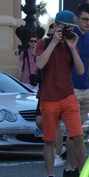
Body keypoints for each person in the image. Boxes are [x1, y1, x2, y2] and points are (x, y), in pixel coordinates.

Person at [34, 10, 86, 177]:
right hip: (48, 98)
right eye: (65, 27)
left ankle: (84, 174)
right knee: (49, 139)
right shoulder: (44, 43)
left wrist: (72, 47)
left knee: (78, 136)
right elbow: (39, 64)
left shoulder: (71, 44)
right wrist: (54, 41)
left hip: (68, 97)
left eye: (71, 28)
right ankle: (50, 176)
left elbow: (80, 71)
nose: (68, 31)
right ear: (56, 26)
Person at [63, 3, 89, 177]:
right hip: (72, 89)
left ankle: (69, 167)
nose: (88, 22)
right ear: (77, 19)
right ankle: (74, 167)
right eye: (85, 19)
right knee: (75, 131)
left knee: (76, 131)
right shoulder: (70, 35)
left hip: (86, 91)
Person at [35, 23, 65, 168]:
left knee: (56, 125)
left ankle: (57, 152)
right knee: (40, 121)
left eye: (58, 28)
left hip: (59, 91)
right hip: (44, 89)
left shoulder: (66, 44)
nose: (55, 31)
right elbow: (39, 64)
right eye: (53, 28)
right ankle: (54, 146)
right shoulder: (44, 43)